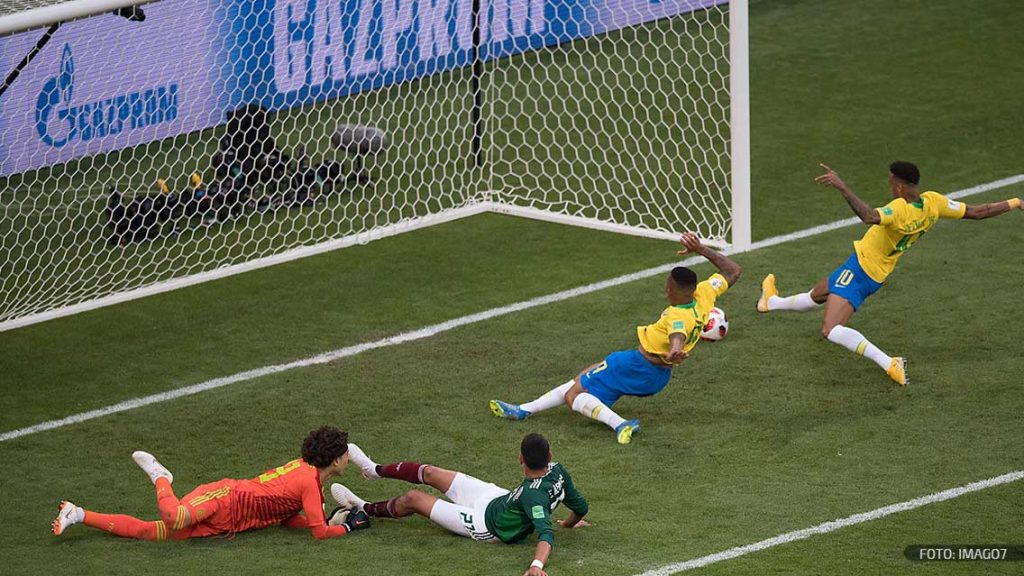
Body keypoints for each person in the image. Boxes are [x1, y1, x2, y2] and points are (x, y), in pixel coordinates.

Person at [756, 162, 1024, 385]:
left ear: (899, 186)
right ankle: (771, 302)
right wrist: (1014, 202)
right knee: (820, 292)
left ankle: (890, 363)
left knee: (831, 329)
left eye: (890, 182)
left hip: (860, 269)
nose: (889, 186)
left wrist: (842, 187)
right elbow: (978, 212)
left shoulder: (899, 209)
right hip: (877, 274)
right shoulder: (933, 203)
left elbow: (870, 217)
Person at [489, 233, 742, 444]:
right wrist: (701, 249)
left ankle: (621, 424)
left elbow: (677, 333)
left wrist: (675, 350)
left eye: (667, 286)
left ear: (672, 290)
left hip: (637, 365)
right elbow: (733, 270)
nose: (665, 289)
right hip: (657, 376)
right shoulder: (705, 294)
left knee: (574, 395)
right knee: (585, 375)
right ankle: (524, 409)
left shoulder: (677, 315)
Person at [52, 426, 370, 541]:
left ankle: (77, 513)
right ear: (336, 459)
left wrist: (324, 519)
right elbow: (318, 534)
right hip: (223, 499)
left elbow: (286, 517)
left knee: (149, 533)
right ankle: (161, 476)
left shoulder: (307, 476)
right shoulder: (308, 483)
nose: (348, 458)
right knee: (173, 517)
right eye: (346, 454)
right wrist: (345, 528)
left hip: (227, 521)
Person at [331, 434, 587, 576]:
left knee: (414, 499)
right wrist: (570, 521)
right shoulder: (558, 471)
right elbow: (580, 506)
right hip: (496, 497)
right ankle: (373, 469)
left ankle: (364, 508)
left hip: (485, 525)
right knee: (431, 472)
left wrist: (536, 566)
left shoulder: (534, 496)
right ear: (550, 457)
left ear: (520, 458)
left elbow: (545, 533)